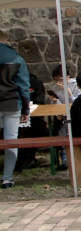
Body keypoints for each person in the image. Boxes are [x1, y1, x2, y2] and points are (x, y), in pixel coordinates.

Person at [0, 31, 31, 189]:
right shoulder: (16, 58)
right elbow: (24, 86)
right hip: (12, 103)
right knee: (11, 140)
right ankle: (7, 178)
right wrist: (26, 109)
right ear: (5, 40)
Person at [49, 64, 81, 168]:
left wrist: (68, 92)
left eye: (60, 79)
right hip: (62, 114)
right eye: (56, 80)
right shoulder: (54, 88)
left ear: (67, 77)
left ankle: (76, 156)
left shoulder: (76, 85)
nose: (58, 83)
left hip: (76, 113)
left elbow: (79, 102)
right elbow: (54, 107)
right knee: (59, 127)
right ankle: (64, 157)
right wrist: (55, 101)